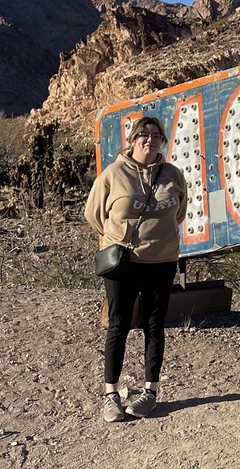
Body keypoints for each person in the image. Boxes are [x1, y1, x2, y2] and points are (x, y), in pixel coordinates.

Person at [84, 116, 188, 423]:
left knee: (155, 326)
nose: (150, 139)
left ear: (162, 141)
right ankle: (110, 395)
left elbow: (179, 212)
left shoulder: (173, 175)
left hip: (161, 262)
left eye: (156, 135)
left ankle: (150, 392)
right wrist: (118, 236)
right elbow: (94, 214)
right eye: (143, 134)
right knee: (118, 325)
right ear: (132, 140)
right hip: (124, 262)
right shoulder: (113, 174)